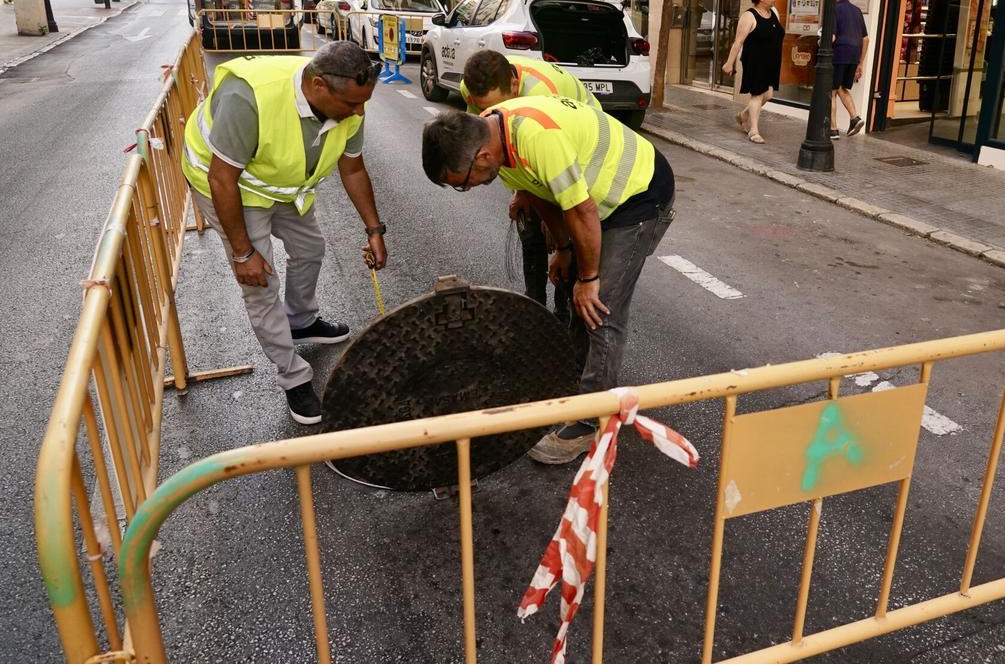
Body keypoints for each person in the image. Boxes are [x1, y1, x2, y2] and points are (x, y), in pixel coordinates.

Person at [422, 96, 676, 464]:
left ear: (481, 159)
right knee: (578, 296)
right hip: (595, 201)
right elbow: (540, 193)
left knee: (600, 307)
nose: (470, 188)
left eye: (463, 183)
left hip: (638, 195)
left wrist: (589, 277)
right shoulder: (494, 137)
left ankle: (591, 422)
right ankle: (579, 384)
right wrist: (563, 250)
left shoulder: (538, 138)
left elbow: (580, 208)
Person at [180, 41, 388, 426]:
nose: (360, 111)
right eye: (352, 104)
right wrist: (243, 254)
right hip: (230, 189)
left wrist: (374, 229)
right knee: (260, 283)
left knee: (311, 248)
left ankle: (301, 320)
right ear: (318, 86)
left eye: (364, 103)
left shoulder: (349, 102)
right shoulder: (251, 98)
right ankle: (293, 375)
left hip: (280, 185)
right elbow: (222, 179)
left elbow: (353, 169)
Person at [459, 50, 602, 322]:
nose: (492, 112)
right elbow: (492, 140)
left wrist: (556, 215)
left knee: (568, 230)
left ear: (514, 85)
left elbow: (557, 165)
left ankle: (565, 309)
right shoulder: (470, 87)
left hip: (579, 146)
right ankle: (534, 307)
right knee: (528, 222)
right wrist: (521, 191)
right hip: (536, 146)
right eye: (484, 107)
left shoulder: (543, 93)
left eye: (499, 105)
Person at [722, 0, 784, 144]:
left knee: (768, 95)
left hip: (772, 61)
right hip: (754, 60)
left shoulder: (774, 13)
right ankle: (754, 130)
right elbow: (738, 42)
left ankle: (743, 115)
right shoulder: (749, 16)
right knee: (757, 94)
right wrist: (729, 63)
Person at [831, 0, 869, 139]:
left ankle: (832, 129)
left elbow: (832, 36)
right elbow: (865, 39)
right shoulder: (856, 10)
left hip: (839, 53)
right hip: (854, 55)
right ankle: (855, 118)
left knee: (830, 91)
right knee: (841, 87)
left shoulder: (834, 9)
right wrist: (860, 62)